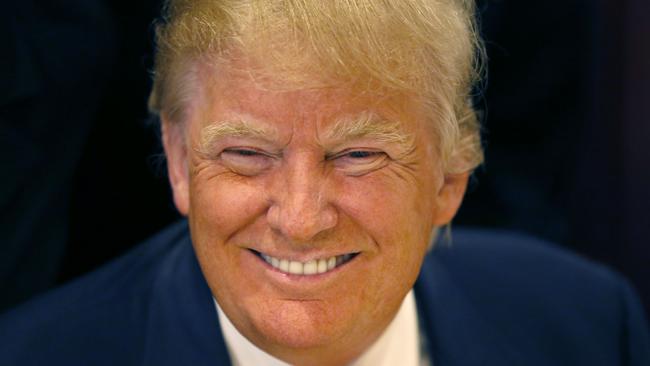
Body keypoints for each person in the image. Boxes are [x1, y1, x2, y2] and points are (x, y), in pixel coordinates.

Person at [1, 0, 648, 365]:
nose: (302, 218)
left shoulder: (588, 326)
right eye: (248, 153)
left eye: (359, 154)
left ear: (452, 174)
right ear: (177, 160)